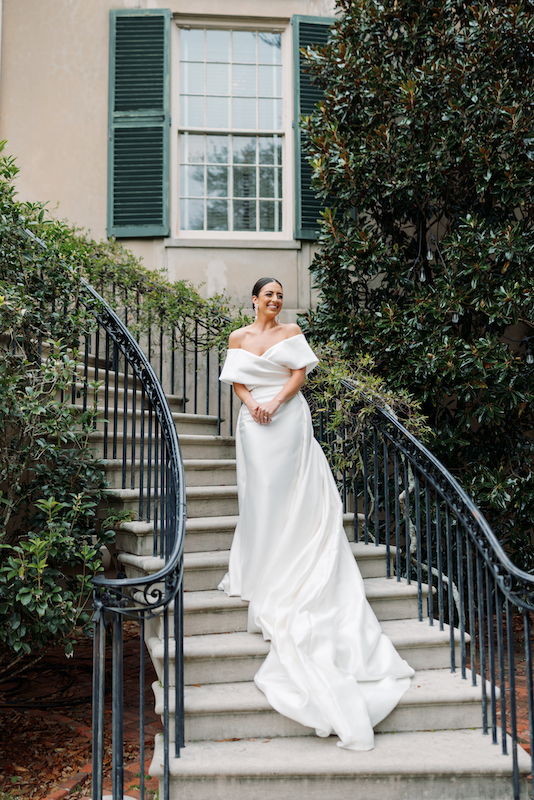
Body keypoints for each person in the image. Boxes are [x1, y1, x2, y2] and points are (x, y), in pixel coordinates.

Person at [218, 277, 414, 751]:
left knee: (288, 493)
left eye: (280, 295)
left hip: (287, 420)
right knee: (259, 497)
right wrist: (253, 408)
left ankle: (292, 557)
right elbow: (238, 381)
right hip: (253, 423)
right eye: (269, 294)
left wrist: (276, 404)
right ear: (254, 299)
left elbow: (298, 376)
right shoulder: (238, 337)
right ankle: (260, 564)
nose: (276, 300)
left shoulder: (292, 333)